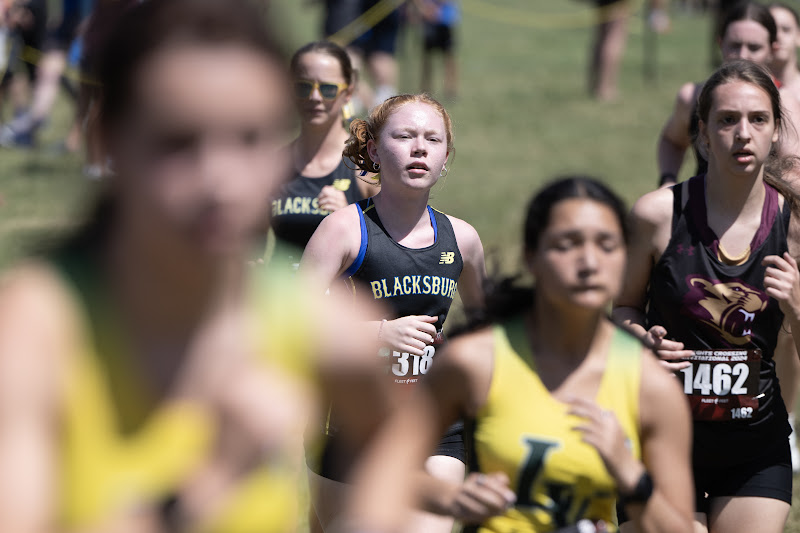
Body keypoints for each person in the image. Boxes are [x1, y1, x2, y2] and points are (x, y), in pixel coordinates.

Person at [0, 1, 394, 532]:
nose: (220, 181)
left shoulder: (287, 311)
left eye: (251, 140)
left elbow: (397, 430)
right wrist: (210, 482)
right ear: (107, 139)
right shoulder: (39, 328)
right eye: (178, 143)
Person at [350, 177, 695, 532]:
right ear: (532, 257)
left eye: (606, 245)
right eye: (567, 244)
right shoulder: (474, 362)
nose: (589, 262)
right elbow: (384, 474)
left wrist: (631, 476)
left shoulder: (648, 383)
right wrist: (452, 497)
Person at [615, 60, 800, 533]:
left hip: (754, 447)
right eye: (727, 119)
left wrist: (797, 307)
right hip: (661, 437)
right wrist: (641, 339)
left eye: (758, 119)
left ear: (776, 129)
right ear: (702, 132)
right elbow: (621, 309)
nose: (743, 133)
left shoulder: (794, 226)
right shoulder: (657, 215)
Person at [300, 92, 486, 532]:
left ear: (445, 158)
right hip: (351, 422)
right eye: (403, 136)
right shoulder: (344, 229)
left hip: (436, 422)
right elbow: (290, 319)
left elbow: (487, 327)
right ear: (374, 150)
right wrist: (379, 333)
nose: (419, 147)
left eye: (432, 139)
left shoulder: (463, 239)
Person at [271, 40, 376, 265]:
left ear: (348, 92)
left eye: (328, 89)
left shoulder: (366, 165)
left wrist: (352, 221)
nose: (315, 97)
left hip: (345, 298)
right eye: (303, 87)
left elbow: (397, 250)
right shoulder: (272, 166)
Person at [657, 1, 778, 187]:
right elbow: (671, 141)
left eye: (754, 47)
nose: (742, 55)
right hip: (701, 211)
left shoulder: (786, 103)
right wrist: (668, 179)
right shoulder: (693, 97)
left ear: (772, 50)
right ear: (720, 43)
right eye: (735, 45)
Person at [414, 0, 459, 100]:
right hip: (429, 21)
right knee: (427, 60)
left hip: (445, 21)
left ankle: (451, 91)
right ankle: (425, 91)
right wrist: (424, 9)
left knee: (449, 58)